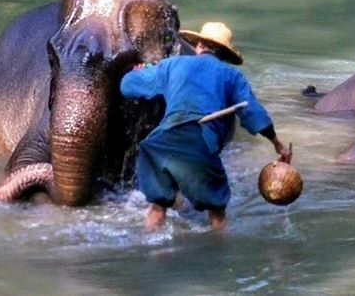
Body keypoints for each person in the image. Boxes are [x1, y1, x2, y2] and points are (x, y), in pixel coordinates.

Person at [120, 21, 292, 233]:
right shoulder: (232, 76)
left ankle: (151, 255)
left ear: (199, 45)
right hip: (199, 144)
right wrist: (277, 144)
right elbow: (253, 114)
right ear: (223, 54)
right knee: (217, 213)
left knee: (157, 208)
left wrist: (137, 72)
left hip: (158, 144)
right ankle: (219, 258)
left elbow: (128, 86)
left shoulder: (173, 64)